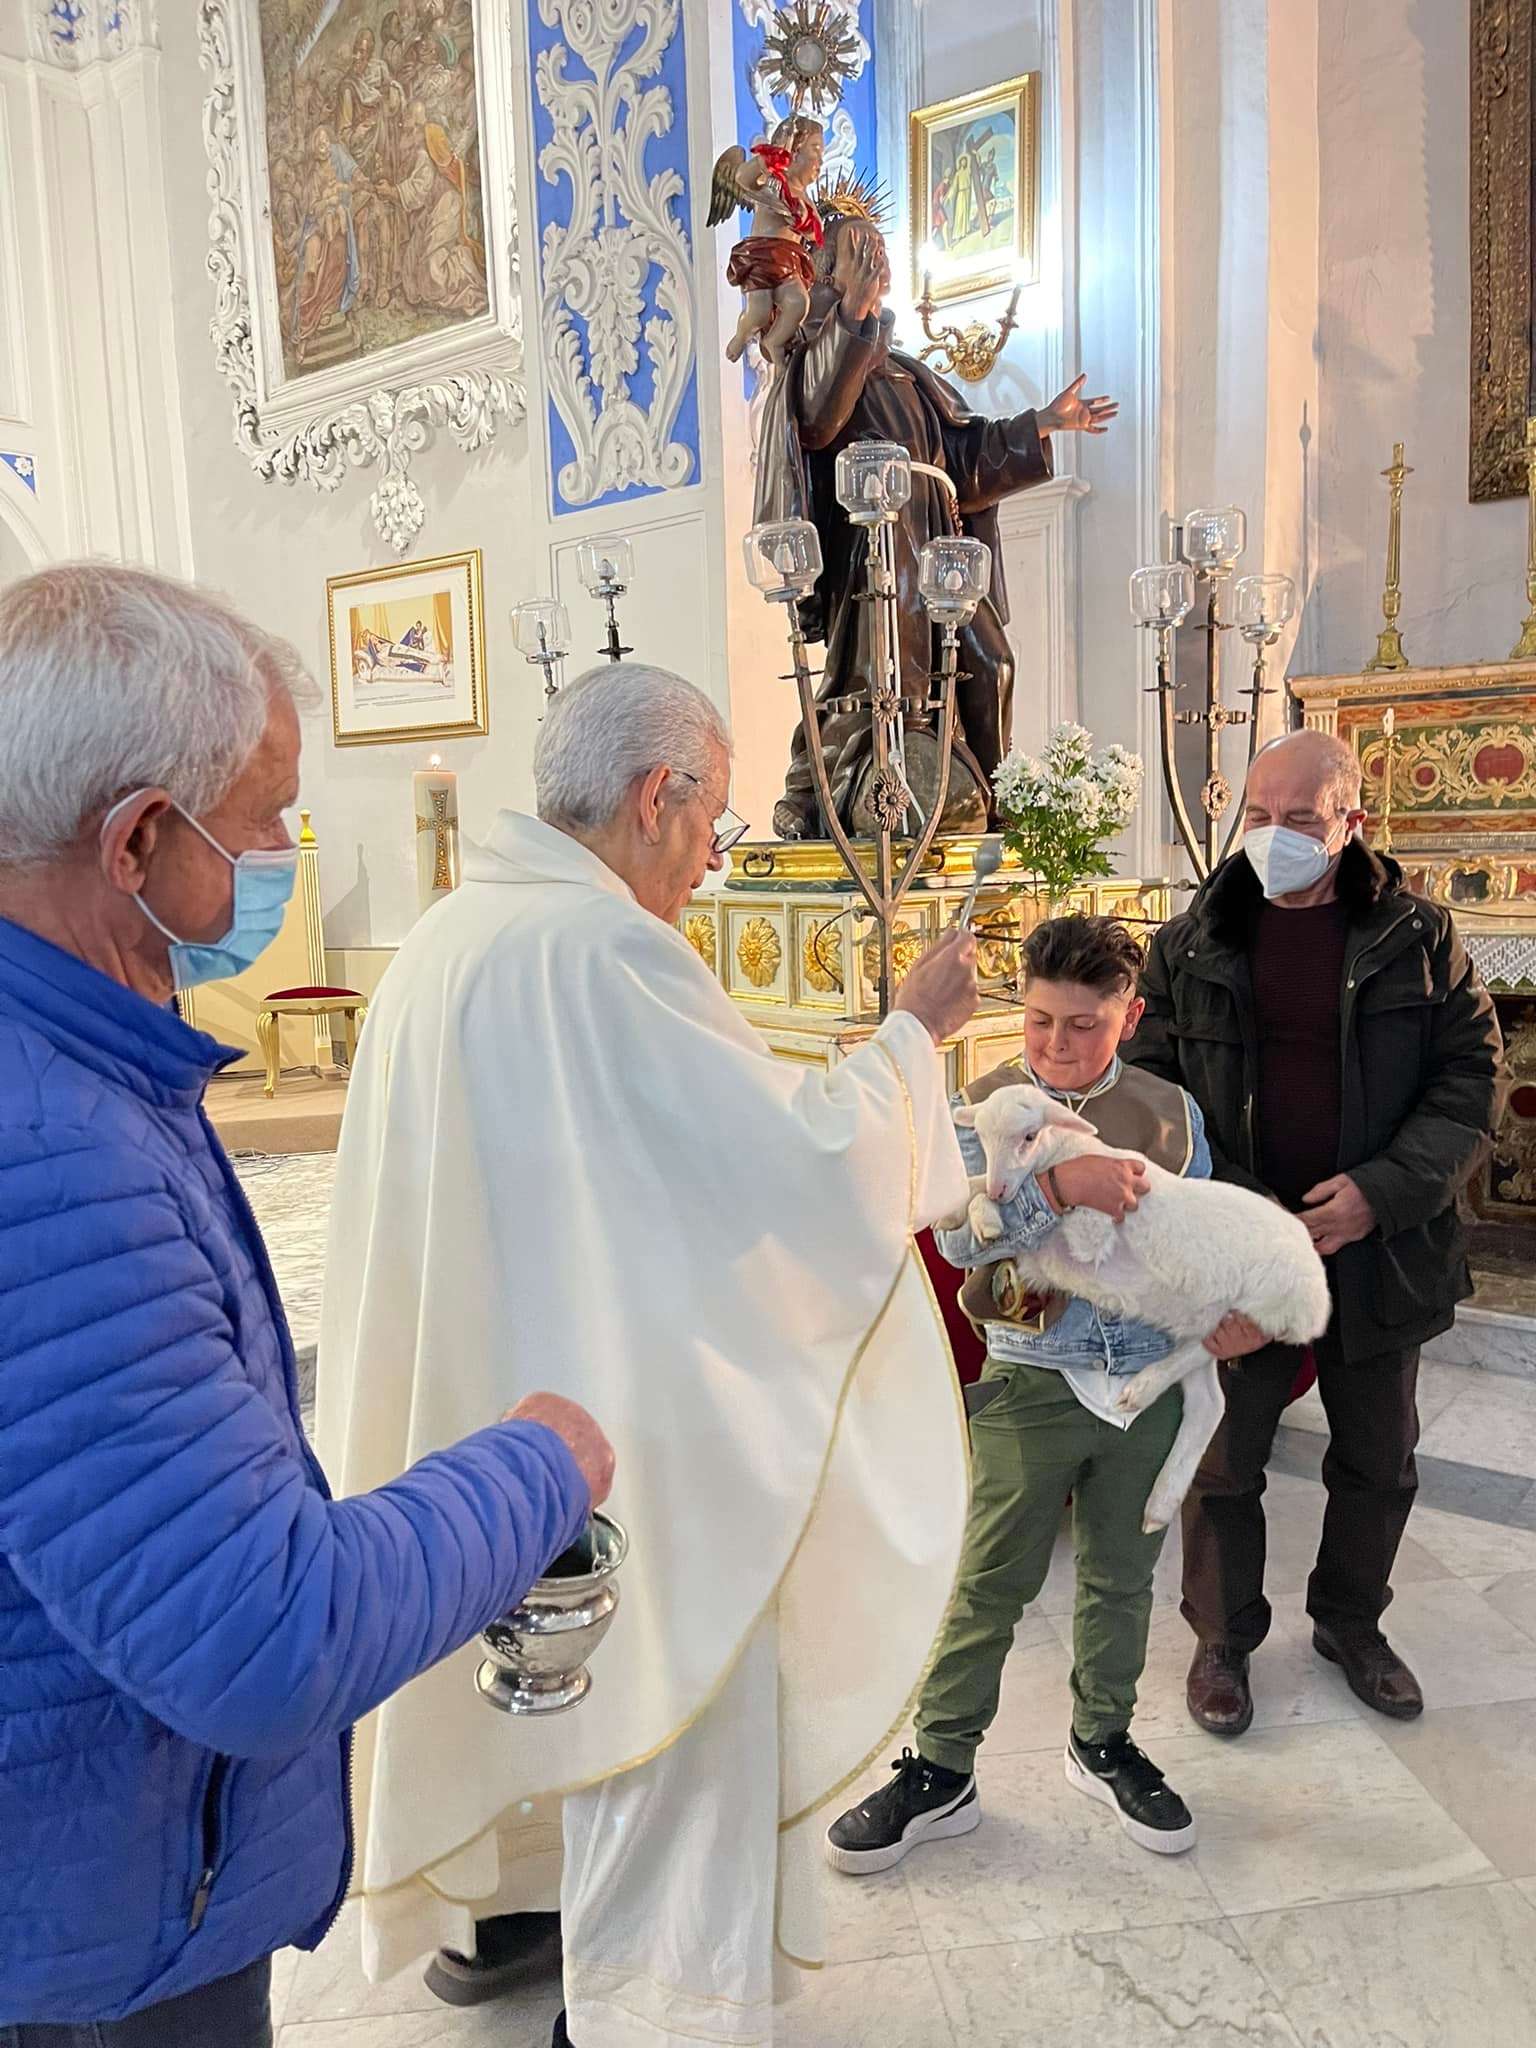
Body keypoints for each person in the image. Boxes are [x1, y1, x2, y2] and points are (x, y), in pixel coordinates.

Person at [315, 662, 979, 2048]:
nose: (708, 856)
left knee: (530, 1664)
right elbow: (788, 1170)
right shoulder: (603, 950)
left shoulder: (451, 933)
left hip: (484, 1396)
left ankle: (509, 1916)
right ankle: (649, 2010)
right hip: (606, 1430)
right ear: (653, 794)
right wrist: (913, 1035)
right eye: (712, 819)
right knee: (683, 1671)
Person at [0, 564, 615, 2045]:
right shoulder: (52, 1159)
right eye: (265, 818)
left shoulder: (81, 1054)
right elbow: (262, 1638)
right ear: (140, 838)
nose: (280, 852)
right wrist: (544, 1462)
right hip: (103, 1940)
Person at [827, 916, 1237, 1876]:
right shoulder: (981, 1104)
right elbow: (960, 1242)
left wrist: (1227, 1303)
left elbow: (1204, 1231)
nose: (1057, 1045)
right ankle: (940, 1768)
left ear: (1129, 1017)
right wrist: (1058, 1192)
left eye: (1085, 1025)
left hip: (1144, 1379)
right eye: (1042, 1020)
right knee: (989, 1582)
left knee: (1120, 1576)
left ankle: (1103, 1740)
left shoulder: (1170, 1111)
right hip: (1031, 1372)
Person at [1129, 729, 1506, 1732]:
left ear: (1351, 823)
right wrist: (1256, 1223)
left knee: (1378, 1459)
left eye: (1300, 818)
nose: (1273, 835)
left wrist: (1382, 1189)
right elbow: (1158, 1102)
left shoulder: (1420, 939)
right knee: (1224, 1457)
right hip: (1242, 1256)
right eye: (1258, 814)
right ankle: (1222, 1637)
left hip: (1379, 1250)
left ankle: (1351, 1622)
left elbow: (1470, 1078)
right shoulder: (1191, 940)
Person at [754, 207, 1117, 840]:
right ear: (829, 272)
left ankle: (997, 809)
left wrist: (1043, 424)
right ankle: (853, 782)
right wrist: (853, 319)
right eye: (858, 251)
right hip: (868, 549)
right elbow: (814, 419)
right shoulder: (817, 352)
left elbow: (966, 459)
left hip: (935, 551)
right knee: (889, 674)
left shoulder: (911, 373)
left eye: (878, 251)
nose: (875, 261)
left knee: (995, 661)